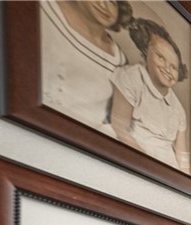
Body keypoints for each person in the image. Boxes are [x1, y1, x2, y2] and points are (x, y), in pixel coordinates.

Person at [40, 0, 133, 135]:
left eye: (112, 2)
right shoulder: (47, 10)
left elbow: (116, 119)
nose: (104, 6)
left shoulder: (120, 60)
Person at [109, 18, 190, 173]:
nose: (167, 68)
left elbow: (182, 154)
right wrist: (147, 166)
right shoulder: (132, 78)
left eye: (173, 67)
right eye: (160, 57)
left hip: (168, 169)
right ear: (146, 52)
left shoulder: (178, 109)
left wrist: (187, 179)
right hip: (136, 157)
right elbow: (119, 127)